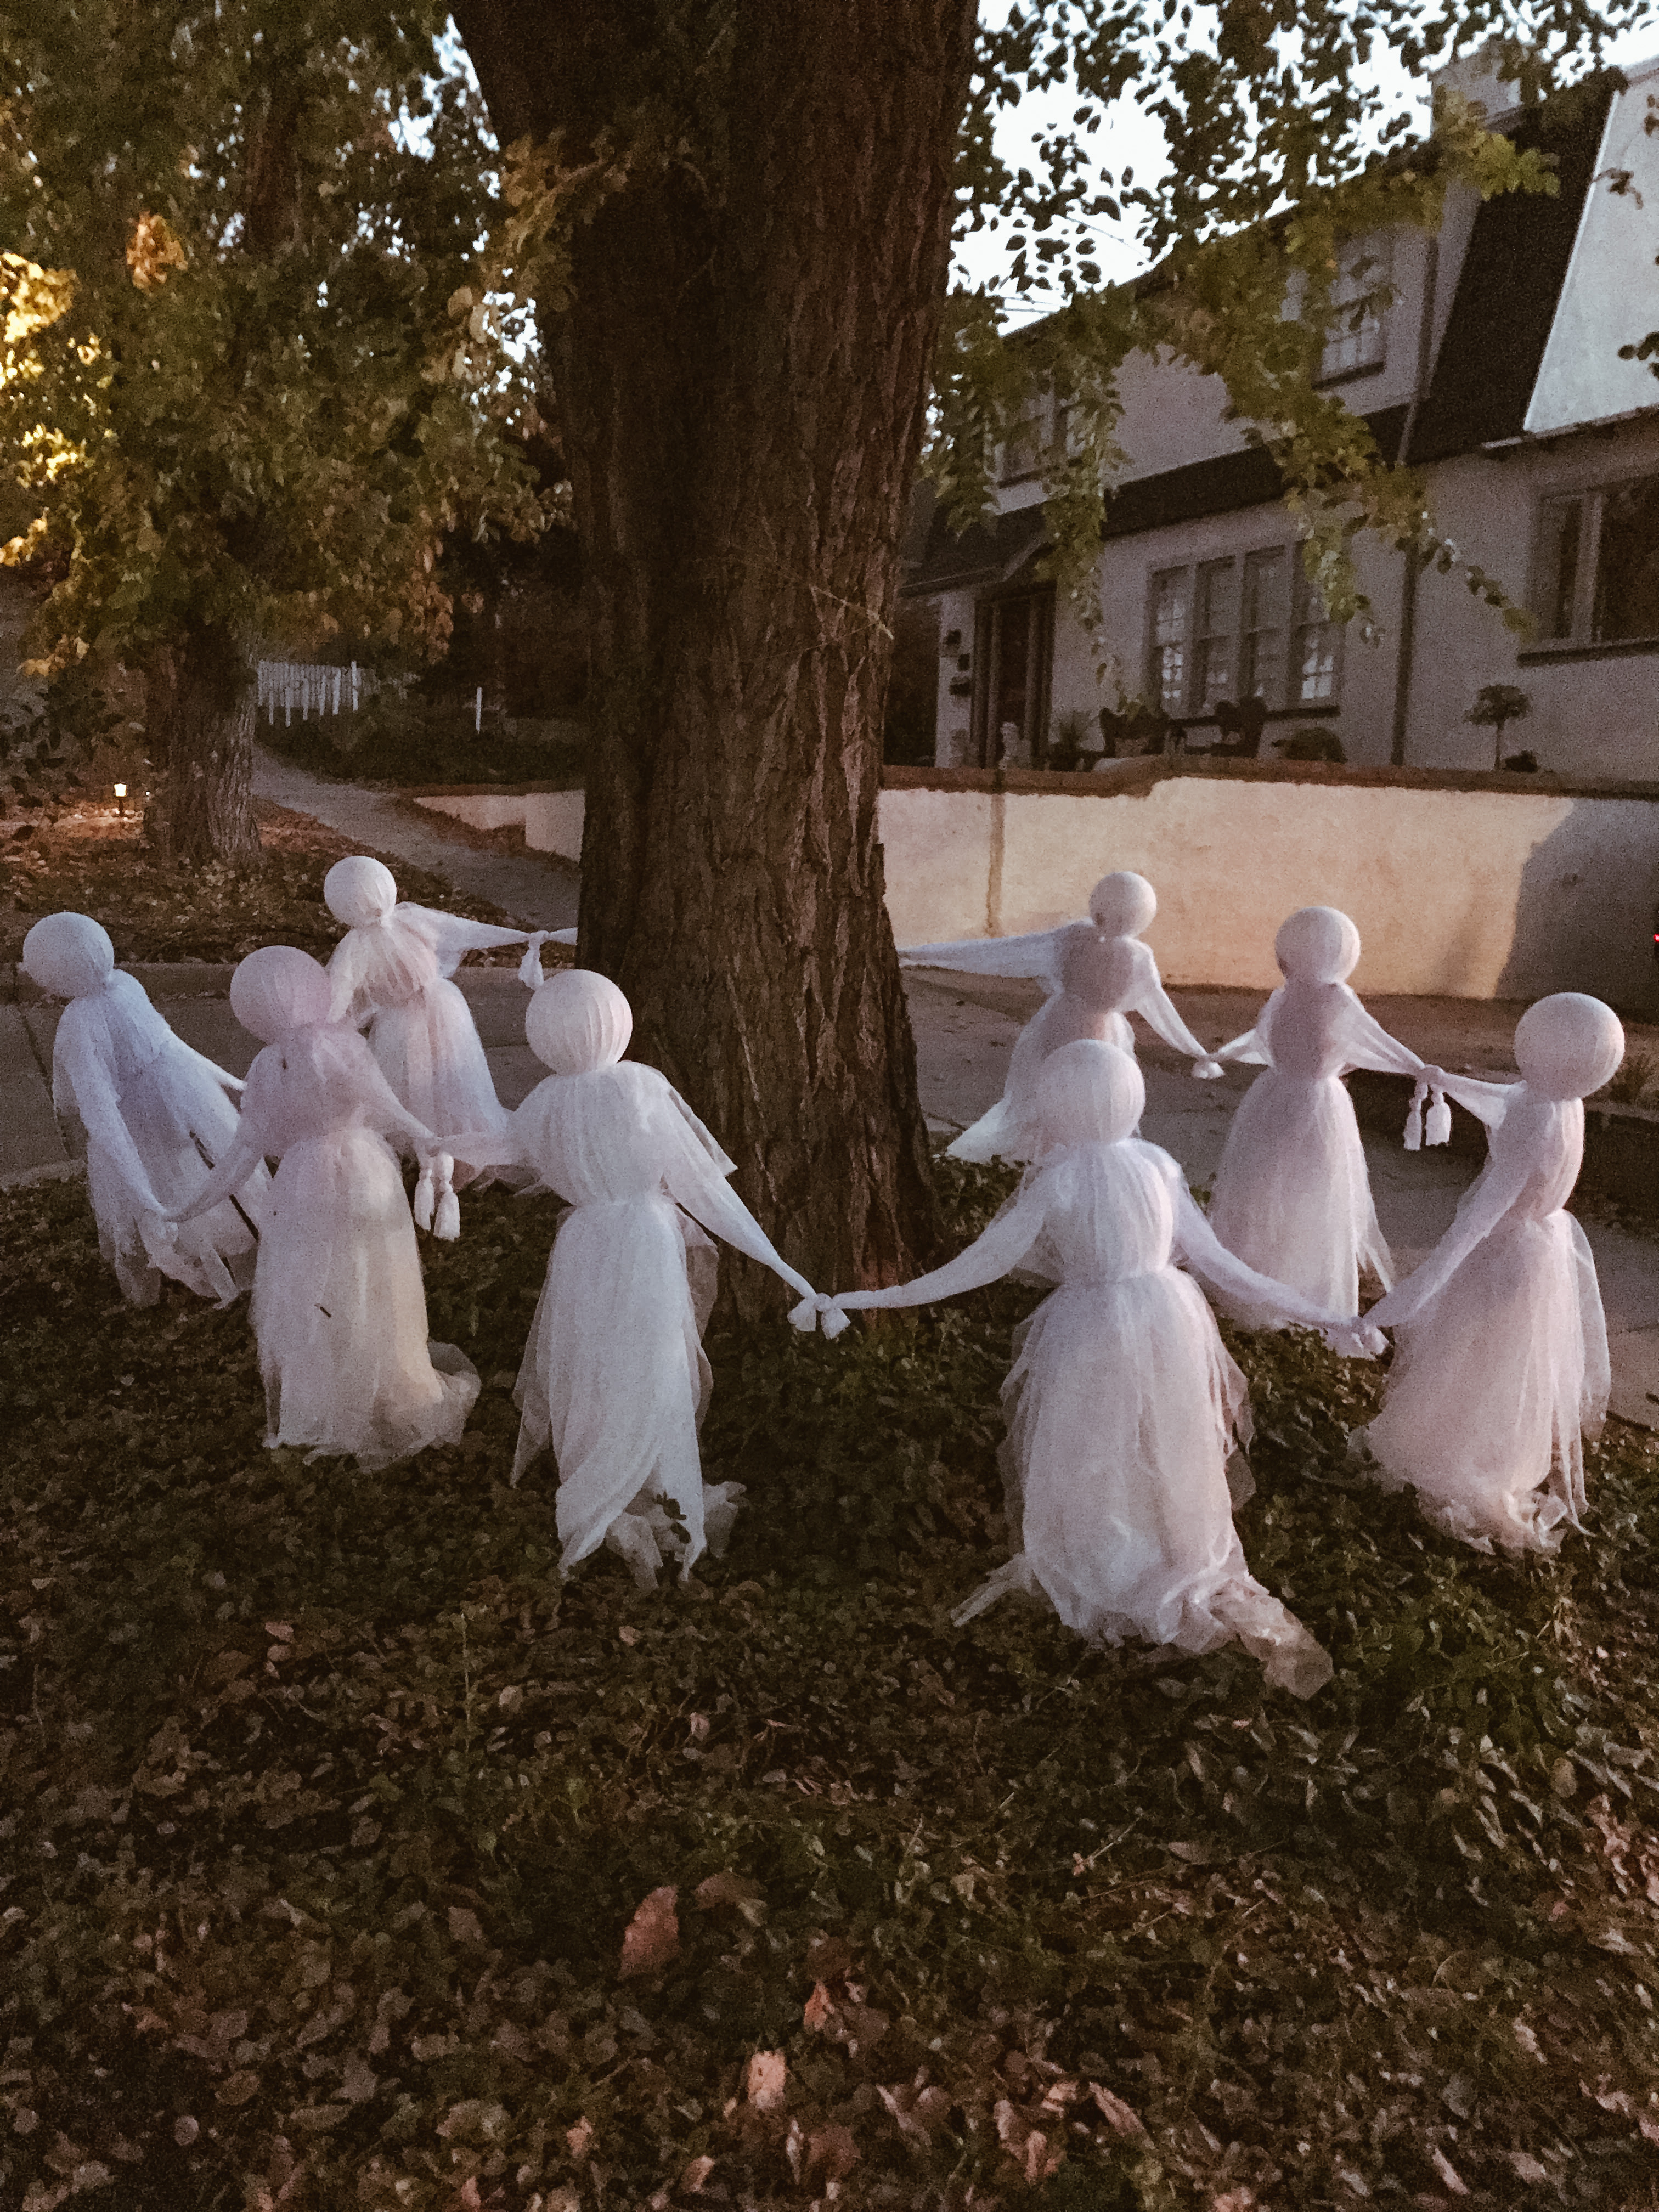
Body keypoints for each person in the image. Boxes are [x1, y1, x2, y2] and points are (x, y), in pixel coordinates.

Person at [824, 1040, 1381, 1695]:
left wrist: (870, 1298)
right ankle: (1173, 1542)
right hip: (1169, 1317)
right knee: (1171, 1437)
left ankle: (1109, 1548)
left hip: (1091, 1329)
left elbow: (980, 1264)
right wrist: (1326, 1315)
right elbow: (1222, 1266)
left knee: (1091, 1443)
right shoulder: (1156, 1166)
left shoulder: (1060, 1178)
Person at [448, 969, 823, 1590]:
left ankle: (597, 1467)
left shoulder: (543, 1102)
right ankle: (651, 1472)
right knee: (649, 1360)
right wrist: (783, 1267)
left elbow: (504, 1148)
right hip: (644, 1240)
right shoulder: (638, 1086)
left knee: (589, 1358)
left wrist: (437, 1149)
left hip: (583, 1243)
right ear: (615, 1021)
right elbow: (702, 1186)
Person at [172, 946, 478, 1469]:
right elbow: (386, 1104)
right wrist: (431, 1140)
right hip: (364, 1169)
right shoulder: (341, 1045)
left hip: (302, 1182)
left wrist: (186, 1207)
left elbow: (244, 1152)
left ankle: (322, 1390)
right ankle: (387, 1372)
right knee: (373, 1269)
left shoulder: (267, 1066)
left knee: (313, 1276)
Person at [1352, 992, 1623, 1555]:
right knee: (1507, 1361)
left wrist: (1412, 1292)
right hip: (1543, 1247)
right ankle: (1495, 1458)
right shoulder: (1564, 1103)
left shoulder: (1537, 1117)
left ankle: (1455, 1462)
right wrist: (1443, 1081)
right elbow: (1503, 1096)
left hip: (1505, 1254)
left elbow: (1482, 1214)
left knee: (1473, 1354)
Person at [22, 911, 266, 1306]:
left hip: (138, 1115)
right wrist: (224, 1080)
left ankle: (201, 1238)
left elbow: (93, 1100)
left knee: (168, 1172)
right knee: (199, 1158)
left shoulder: (78, 1024)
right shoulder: (126, 984)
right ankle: (236, 1231)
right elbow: (165, 1039)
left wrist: (142, 1192)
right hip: (184, 1090)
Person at [898, 870, 1223, 1162]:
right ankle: (1072, 1156)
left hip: (1058, 1022)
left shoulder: (1076, 937)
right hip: (1101, 1033)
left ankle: (1048, 1154)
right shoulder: (1136, 956)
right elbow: (1161, 1010)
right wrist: (1197, 1052)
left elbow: (1004, 951)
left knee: (1050, 1093)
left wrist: (923, 954)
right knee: (1089, 1097)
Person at [1207, 906, 1435, 1312]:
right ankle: (1295, 1286)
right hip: (1316, 1103)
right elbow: (1376, 1040)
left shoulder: (1287, 994)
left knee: (1269, 1183)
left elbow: (1265, 1039)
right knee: (1307, 1188)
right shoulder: (1331, 998)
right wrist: (1417, 1067)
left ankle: (1263, 1278)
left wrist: (1415, 1067)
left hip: (1272, 1096)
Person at [323, 855, 532, 1182]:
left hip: (399, 1022)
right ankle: (455, 1145)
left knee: (414, 1080)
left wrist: (314, 1031)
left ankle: (431, 1148)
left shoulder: (355, 949)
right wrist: (529, 937)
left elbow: (336, 1000)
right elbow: (464, 931)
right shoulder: (412, 919)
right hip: (445, 1005)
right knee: (456, 1077)